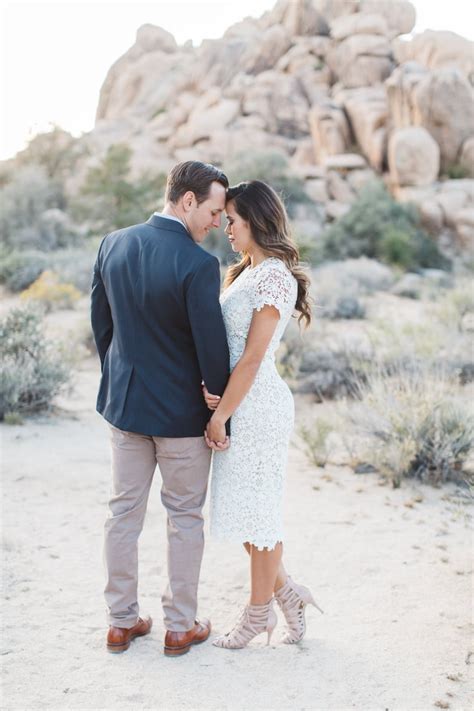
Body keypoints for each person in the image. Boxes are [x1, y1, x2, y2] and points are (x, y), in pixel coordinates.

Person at [91, 160, 231, 657]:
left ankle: (120, 622)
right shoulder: (197, 264)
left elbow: (102, 328)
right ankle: (179, 626)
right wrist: (219, 412)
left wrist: (120, 380)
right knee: (184, 517)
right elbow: (212, 351)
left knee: (122, 514)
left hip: (125, 409)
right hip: (180, 420)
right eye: (213, 211)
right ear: (188, 200)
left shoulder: (113, 243)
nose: (217, 222)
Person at [203, 180, 323, 649]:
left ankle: (257, 616)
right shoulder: (244, 273)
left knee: (261, 514)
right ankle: (288, 595)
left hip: (258, 407)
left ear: (256, 220)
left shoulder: (274, 275)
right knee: (250, 513)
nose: (226, 228)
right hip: (238, 401)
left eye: (231, 220)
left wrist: (219, 416)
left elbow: (252, 357)